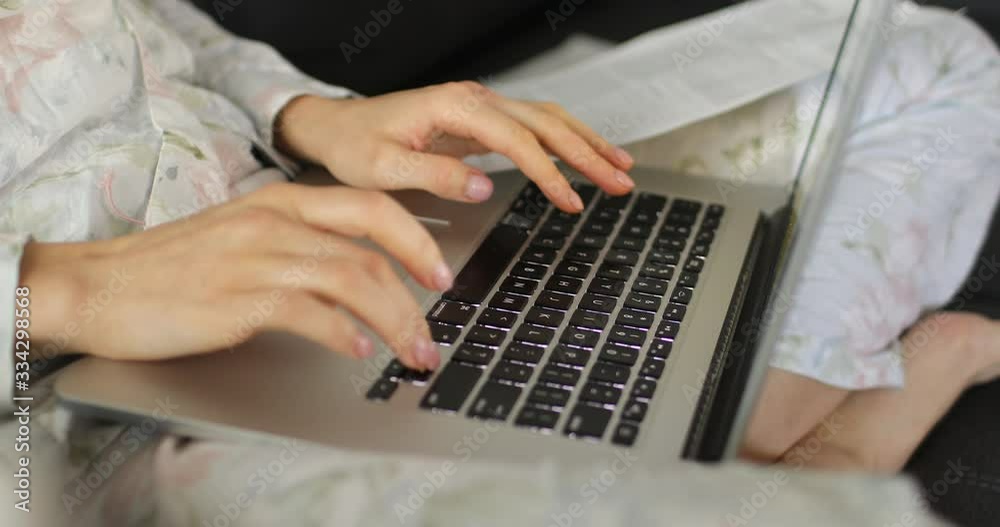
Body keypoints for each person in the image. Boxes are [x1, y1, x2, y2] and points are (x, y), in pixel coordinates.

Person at [0, 0, 998, 525]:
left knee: (921, 58)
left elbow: (162, 23)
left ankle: (760, 412)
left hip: (343, 203)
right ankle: (812, 451)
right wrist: (64, 292)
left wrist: (311, 114)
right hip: (86, 415)